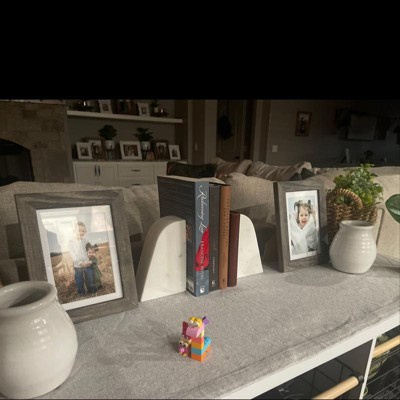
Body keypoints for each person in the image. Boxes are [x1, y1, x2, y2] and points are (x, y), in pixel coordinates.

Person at [67, 222, 97, 296]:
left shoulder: (86, 241)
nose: (81, 232)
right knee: (79, 280)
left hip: (88, 263)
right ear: (74, 231)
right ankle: (81, 293)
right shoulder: (71, 242)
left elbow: (90, 250)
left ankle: (92, 290)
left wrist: (90, 260)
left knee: (90, 278)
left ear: (85, 232)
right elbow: (73, 255)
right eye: (78, 230)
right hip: (78, 265)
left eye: (83, 231)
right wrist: (80, 263)